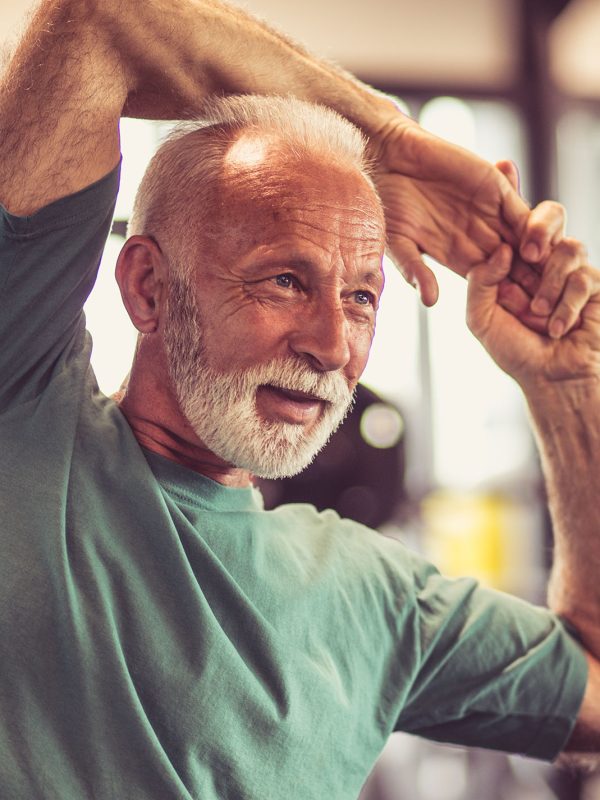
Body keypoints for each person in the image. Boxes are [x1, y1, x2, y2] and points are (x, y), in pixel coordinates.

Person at [1, 1, 599, 798]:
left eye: (361, 296)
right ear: (148, 287)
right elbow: (98, 24)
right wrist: (388, 141)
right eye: (285, 280)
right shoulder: (24, 410)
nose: (331, 344)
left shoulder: (374, 600)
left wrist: (564, 387)